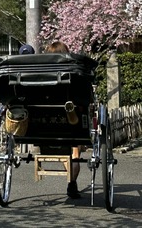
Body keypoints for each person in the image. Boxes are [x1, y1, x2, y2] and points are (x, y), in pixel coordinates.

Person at [44, 41, 81, 198]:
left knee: (66, 151)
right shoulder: (73, 72)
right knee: (74, 152)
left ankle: (71, 180)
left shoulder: (40, 74)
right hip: (71, 120)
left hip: (44, 120)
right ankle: (72, 182)